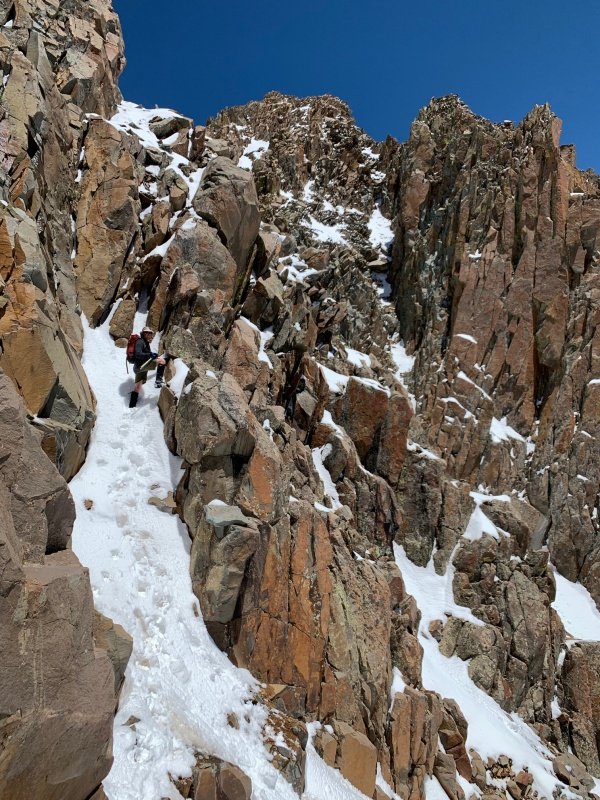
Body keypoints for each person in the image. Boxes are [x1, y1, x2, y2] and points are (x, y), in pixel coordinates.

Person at [129, 326, 171, 408]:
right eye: (147, 332)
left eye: (150, 333)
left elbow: (146, 353)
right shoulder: (140, 342)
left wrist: (151, 354)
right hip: (141, 366)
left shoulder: (145, 342)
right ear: (143, 333)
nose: (149, 334)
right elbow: (138, 354)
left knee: (138, 386)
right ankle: (158, 381)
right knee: (162, 361)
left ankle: (132, 405)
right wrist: (150, 354)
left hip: (140, 367)